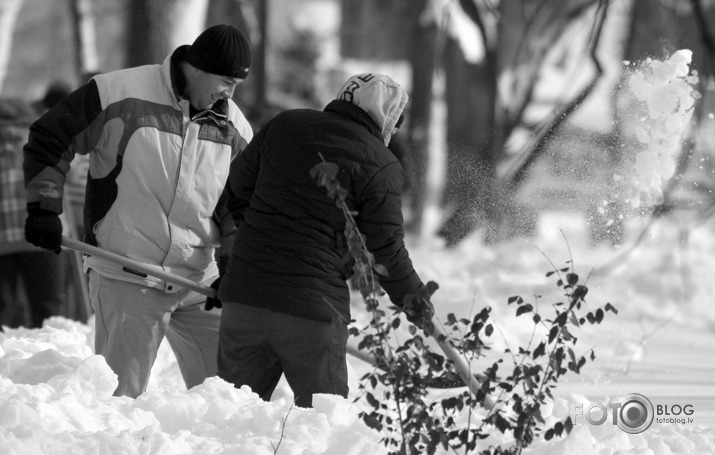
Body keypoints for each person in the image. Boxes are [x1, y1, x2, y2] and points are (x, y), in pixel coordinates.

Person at [23, 24, 254, 398]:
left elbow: (239, 206)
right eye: (226, 80)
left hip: (198, 281)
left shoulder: (235, 128)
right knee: (120, 403)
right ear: (197, 67)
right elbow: (51, 137)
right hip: (128, 274)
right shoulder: (117, 92)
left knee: (231, 398)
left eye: (236, 84)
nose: (230, 92)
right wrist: (44, 207)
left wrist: (232, 268)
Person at [216, 73, 432, 408]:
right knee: (323, 425)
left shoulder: (285, 125)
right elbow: (385, 249)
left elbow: (236, 189)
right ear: (385, 117)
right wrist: (413, 300)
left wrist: (254, 239)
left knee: (232, 420)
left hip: (244, 300)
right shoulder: (381, 164)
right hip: (312, 315)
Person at [0, 96, 65, 329]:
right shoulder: (39, 143)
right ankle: (48, 357)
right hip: (41, 237)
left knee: (3, 312)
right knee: (48, 312)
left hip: (2, 241)